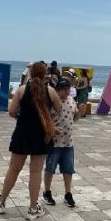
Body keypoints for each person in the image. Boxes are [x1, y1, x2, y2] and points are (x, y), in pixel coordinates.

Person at [0, 61, 61, 220]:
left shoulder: (22, 90)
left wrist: (21, 116)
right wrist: (48, 119)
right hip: (41, 135)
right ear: (44, 74)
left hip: (22, 133)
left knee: (14, 169)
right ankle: (32, 208)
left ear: (31, 73)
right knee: (35, 171)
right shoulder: (50, 91)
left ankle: (1, 203)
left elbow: (11, 111)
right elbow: (59, 109)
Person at [43, 78, 83, 208]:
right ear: (57, 90)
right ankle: (47, 192)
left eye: (68, 90)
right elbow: (46, 119)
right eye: (64, 90)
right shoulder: (52, 101)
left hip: (68, 142)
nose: (67, 92)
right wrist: (50, 131)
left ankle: (68, 193)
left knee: (68, 169)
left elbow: (74, 118)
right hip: (54, 143)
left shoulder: (72, 101)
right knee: (50, 168)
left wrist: (80, 113)